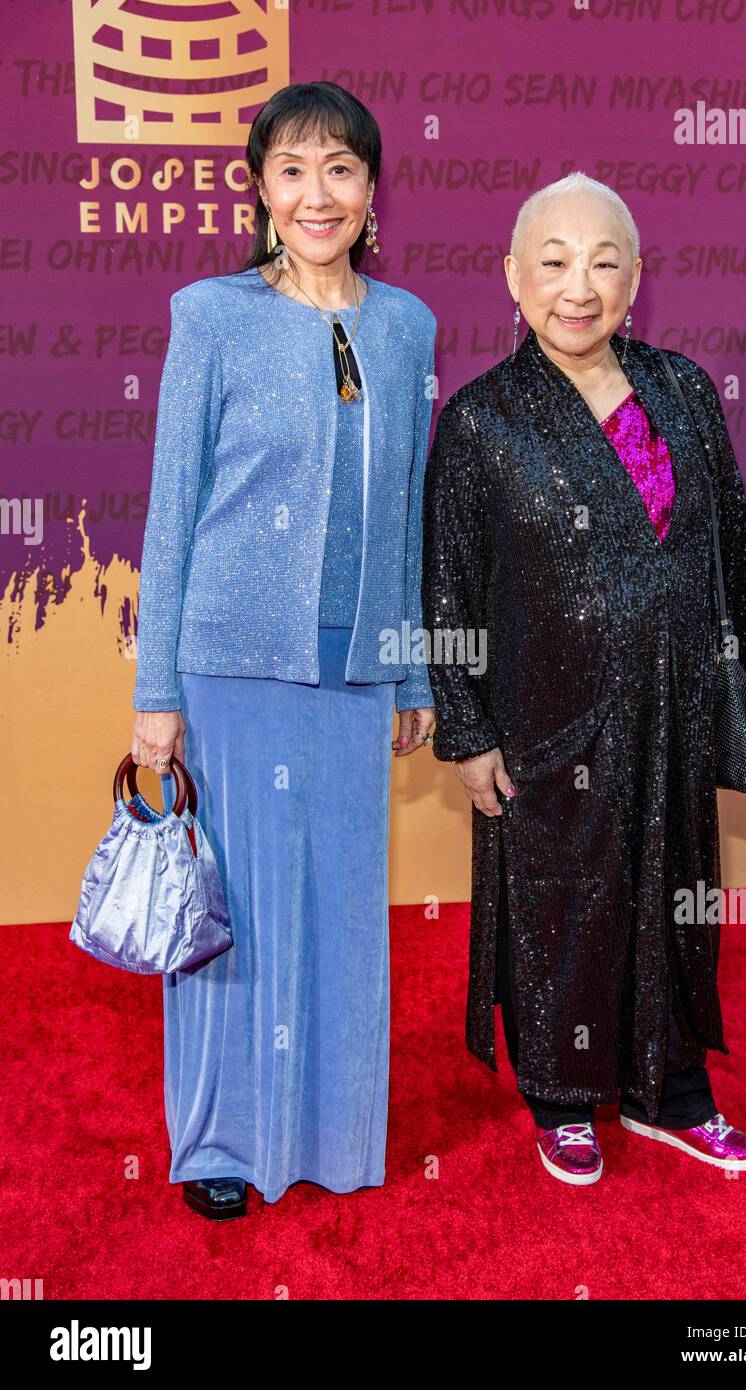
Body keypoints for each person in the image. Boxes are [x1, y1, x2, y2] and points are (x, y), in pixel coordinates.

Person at [421, 172, 746, 1187]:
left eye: (601, 262)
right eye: (551, 262)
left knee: (675, 891)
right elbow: (447, 590)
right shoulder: (478, 421)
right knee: (563, 901)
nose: (576, 286)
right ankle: (559, 1094)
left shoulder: (680, 389)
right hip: (547, 722)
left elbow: (730, 540)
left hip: (672, 709)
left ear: (636, 277)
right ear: (512, 276)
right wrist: (462, 727)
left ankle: (673, 1091)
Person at [131, 82, 436, 1218]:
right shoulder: (210, 316)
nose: (319, 194)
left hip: (352, 670)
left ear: (369, 191)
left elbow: (402, 503)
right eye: (294, 169)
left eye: (341, 169)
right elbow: (172, 511)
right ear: (258, 187)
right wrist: (156, 688)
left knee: (345, 907)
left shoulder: (406, 326)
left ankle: (332, 1132)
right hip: (230, 664)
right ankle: (217, 1142)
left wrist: (405, 665)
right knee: (236, 916)